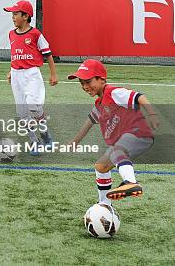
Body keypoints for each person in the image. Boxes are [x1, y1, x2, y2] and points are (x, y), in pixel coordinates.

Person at [68, 59, 158, 204]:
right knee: (100, 166)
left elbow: (139, 96)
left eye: (88, 81)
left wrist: (152, 115)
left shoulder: (113, 92)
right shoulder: (98, 104)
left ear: (102, 79)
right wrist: (75, 141)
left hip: (138, 133)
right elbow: (89, 122)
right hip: (127, 139)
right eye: (81, 83)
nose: (85, 86)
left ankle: (130, 182)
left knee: (117, 150)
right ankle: (104, 205)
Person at [3, 0, 58, 154]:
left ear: (26, 16)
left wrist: (53, 74)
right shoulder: (11, 34)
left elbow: (47, 54)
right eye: (12, 14)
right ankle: (34, 141)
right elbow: (15, 54)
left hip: (31, 74)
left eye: (16, 14)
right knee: (22, 114)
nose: (13, 17)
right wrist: (11, 70)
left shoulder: (35, 34)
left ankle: (46, 134)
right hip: (16, 75)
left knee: (34, 107)